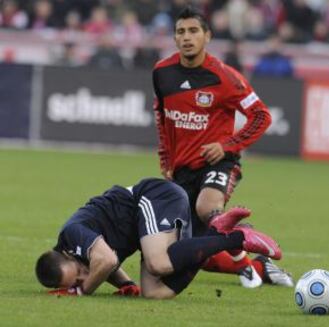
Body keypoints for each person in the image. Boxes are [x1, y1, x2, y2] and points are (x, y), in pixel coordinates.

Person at [152, 6, 293, 288]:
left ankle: (240, 240)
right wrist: (167, 157)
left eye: (193, 31)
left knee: (207, 207)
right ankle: (258, 265)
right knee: (189, 254)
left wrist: (227, 145)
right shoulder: (162, 72)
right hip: (182, 170)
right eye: (180, 32)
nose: (186, 37)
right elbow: (161, 112)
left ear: (207, 36)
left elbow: (261, 116)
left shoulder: (225, 77)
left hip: (219, 163)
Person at [35, 178, 282, 298]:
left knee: (159, 263)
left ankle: (236, 238)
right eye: (77, 280)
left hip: (153, 197)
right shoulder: (79, 252)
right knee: (154, 292)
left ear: (67, 253)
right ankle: (217, 232)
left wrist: (81, 291)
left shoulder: (72, 233)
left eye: (78, 269)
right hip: (145, 227)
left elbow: (107, 261)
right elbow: (103, 265)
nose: (84, 275)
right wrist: (126, 285)